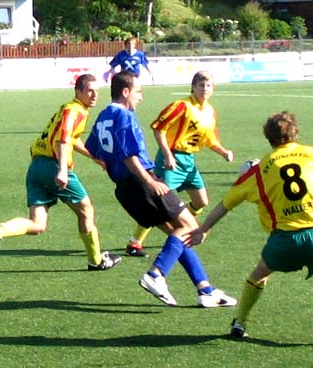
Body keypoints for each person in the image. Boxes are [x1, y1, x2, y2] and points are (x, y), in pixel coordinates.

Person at [186, 111, 313, 339]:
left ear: (269, 138)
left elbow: (225, 205)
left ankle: (240, 322)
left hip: (284, 240)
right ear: (295, 131)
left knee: (259, 274)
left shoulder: (259, 169)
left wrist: (204, 229)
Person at [85, 70, 236, 307]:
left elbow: (93, 149)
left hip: (124, 189)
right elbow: (129, 156)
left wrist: (113, 166)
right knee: (190, 226)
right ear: (125, 92)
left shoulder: (104, 114)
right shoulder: (124, 116)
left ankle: (205, 289)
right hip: (142, 183)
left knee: (179, 233)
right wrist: (149, 180)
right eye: (138, 92)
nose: (140, 97)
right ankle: (156, 274)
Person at [0, 74, 121, 271]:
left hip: (36, 167)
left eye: (97, 91)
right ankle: (96, 260)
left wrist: (95, 157)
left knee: (37, 224)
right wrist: (63, 170)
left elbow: (72, 139)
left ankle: (0, 230)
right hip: (53, 166)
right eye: (90, 90)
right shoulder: (74, 110)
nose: (94, 95)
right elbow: (63, 139)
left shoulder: (70, 109)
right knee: (86, 209)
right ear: (78, 91)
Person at [125, 71, 234, 257]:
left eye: (208, 86)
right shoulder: (181, 106)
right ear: (193, 87)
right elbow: (158, 128)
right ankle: (135, 243)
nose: (205, 89)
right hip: (172, 158)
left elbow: (210, 139)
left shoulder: (210, 112)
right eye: (201, 85)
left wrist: (223, 151)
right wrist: (168, 155)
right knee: (158, 202)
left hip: (189, 161)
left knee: (201, 201)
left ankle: (183, 226)